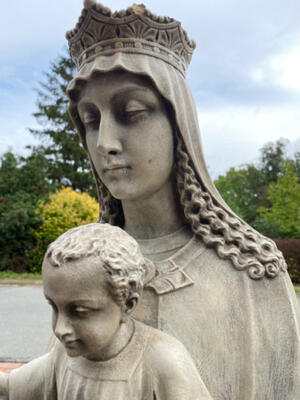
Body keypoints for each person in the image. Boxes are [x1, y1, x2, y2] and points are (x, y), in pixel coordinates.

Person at [65, 1, 300, 399]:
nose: (105, 143)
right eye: (91, 120)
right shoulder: (79, 267)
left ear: (180, 125)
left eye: (132, 111)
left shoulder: (253, 275)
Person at [0, 223, 212, 399]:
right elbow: (10, 386)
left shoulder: (163, 361)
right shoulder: (63, 355)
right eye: (53, 307)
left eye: (80, 311)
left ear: (127, 304)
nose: (60, 329)